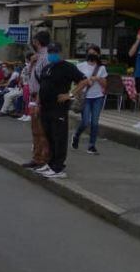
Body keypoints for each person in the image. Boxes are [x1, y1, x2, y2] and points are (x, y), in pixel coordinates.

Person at [34, 43, 90, 179]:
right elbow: (42, 87)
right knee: (49, 137)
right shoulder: (47, 67)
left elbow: (84, 81)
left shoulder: (67, 67)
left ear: (60, 53)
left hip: (58, 108)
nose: (52, 54)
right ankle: (51, 163)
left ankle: (58, 167)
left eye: (55, 52)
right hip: (45, 107)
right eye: (51, 52)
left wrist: (69, 95)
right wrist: (37, 103)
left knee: (59, 137)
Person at [21, 31, 52, 168]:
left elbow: (44, 80)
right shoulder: (37, 57)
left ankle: (43, 158)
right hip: (34, 96)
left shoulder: (46, 58)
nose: (33, 43)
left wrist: (39, 100)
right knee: (35, 130)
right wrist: (31, 64)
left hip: (41, 97)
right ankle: (37, 156)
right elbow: (30, 75)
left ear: (37, 42)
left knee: (42, 130)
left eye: (34, 41)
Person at [72, 46, 108, 155]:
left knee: (95, 122)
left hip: (97, 97)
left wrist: (98, 78)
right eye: (90, 53)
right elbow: (76, 82)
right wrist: (85, 83)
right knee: (85, 121)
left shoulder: (101, 68)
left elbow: (105, 84)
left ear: (98, 55)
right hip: (85, 97)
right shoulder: (80, 66)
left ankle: (91, 145)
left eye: (94, 53)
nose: (92, 55)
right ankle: (76, 135)